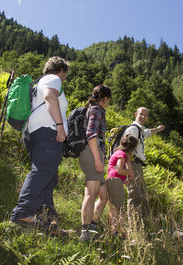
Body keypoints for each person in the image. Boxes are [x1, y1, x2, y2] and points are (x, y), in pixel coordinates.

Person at [10, 56, 69, 235]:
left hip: (34, 132)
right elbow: (50, 97)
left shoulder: (37, 83)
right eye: (66, 73)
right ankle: (22, 212)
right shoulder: (54, 79)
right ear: (61, 70)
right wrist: (59, 124)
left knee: (49, 178)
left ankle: (49, 223)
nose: (65, 76)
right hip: (47, 130)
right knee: (43, 171)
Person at [79, 84, 111, 242]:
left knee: (104, 196)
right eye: (109, 100)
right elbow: (91, 134)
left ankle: (92, 224)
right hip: (92, 153)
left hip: (94, 154)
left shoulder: (93, 108)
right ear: (105, 98)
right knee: (91, 194)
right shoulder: (96, 110)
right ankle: (85, 232)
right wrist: (98, 159)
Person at [124, 107, 165, 224]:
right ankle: (134, 227)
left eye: (145, 115)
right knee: (135, 195)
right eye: (141, 114)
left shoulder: (139, 130)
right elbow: (125, 151)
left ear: (147, 118)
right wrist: (129, 170)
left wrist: (157, 129)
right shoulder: (134, 130)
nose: (142, 116)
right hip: (132, 164)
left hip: (137, 165)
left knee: (142, 195)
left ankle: (142, 223)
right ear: (136, 114)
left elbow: (147, 133)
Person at [106, 134, 138, 237]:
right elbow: (119, 170)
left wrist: (124, 180)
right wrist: (129, 172)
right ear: (131, 147)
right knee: (117, 207)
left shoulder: (117, 152)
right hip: (115, 181)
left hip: (112, 180)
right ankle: (116, 231)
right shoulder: (122, 155)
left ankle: (114, 229)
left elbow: (113, 169)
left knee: (114, 207)